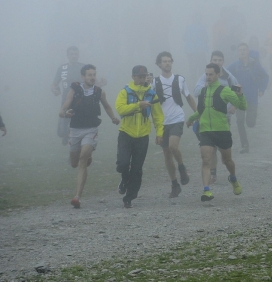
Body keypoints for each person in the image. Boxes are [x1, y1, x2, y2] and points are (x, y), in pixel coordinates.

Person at [59, 64, 120, 208]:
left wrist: (113, 118)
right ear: (83, 77)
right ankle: (87, 155)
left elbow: (106, 106)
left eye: (94, 75)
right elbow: (65, 106)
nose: (92, 77)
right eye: (89, 75)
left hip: (91, 129)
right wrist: (64, 113)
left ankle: (77, 197)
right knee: (74, 163)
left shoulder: (99, 92)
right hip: (75, 130)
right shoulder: (74, 89)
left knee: (82, 161)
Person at [185, 63, 247, 202]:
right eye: (206, 74)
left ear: (218, 75)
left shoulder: (225, 90)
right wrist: (190, 119)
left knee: (227, 160)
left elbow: (243, 106)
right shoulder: (203, 92)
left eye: (211, 74)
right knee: (206, 160)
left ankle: (233, 178)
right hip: (206, 131)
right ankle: (207, 191)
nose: (208, 77)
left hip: (222, 131)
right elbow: (200, 110)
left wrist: (241, 95)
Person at [115, 65, 164, 208]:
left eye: (144, 76)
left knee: (137, 168)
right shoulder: (125, 92)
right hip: (126, 133)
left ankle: (129, 197)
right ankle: (124, 180)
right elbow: (120, 109)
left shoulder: (151, 94)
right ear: (133, 77)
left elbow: (158, 115)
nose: (142, 79)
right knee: (122, 164)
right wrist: (138, 105)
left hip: (143, 136)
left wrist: (159, 133)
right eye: (140, 76)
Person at [153, 52, 196, 198]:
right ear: (159, 64)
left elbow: (188, 97)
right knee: (166, 152)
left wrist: (197, 114)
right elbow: (149, 101)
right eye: (164, 61)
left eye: (169, 61)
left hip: (177, 118)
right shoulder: (154, 82)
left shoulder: (179, 79)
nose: (167, 63)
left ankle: (182, 166)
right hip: (161, 122)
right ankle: (174, 184)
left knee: (173, 147)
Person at [193, 50, 239, 183]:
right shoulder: (205, 76)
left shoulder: (229, 77)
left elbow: (238, 92)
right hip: (206, 119)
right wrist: (205, 87)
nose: (217, 62)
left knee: (223, 153)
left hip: (224, 118)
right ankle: (212, 173)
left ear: (223, 62)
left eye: (219, 60)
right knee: (210, 147)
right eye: (214, 60)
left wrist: (234, 106)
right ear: (211, 61)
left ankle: (231, 172)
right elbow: (196, 92)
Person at [228, 43, 269, 153]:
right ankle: (245, 145)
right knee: (240, 121)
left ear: (248, 52)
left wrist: (262, 89)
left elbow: (265, 76)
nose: (242, 51)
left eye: (244, 50)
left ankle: (252, 117)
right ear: (237, 52)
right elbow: (226, 78)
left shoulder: (255, 64)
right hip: (239, 99)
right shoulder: (234, 66)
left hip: (252, 98)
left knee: (250, 123)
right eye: (240, 50)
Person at [52, 47, 85, 145]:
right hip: (66, 100)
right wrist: (54, 90)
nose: (74, 56)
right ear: (67, 56)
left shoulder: (84, 67)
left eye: (76, 54)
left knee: (79, 123)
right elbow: (54, 84)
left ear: (78, 55)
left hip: (81, 99)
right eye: (72, 54)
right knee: (62, 128)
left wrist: (101, 83)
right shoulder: (62, 68)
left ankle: (77, 142)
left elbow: (93, 81)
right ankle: (65, 135)